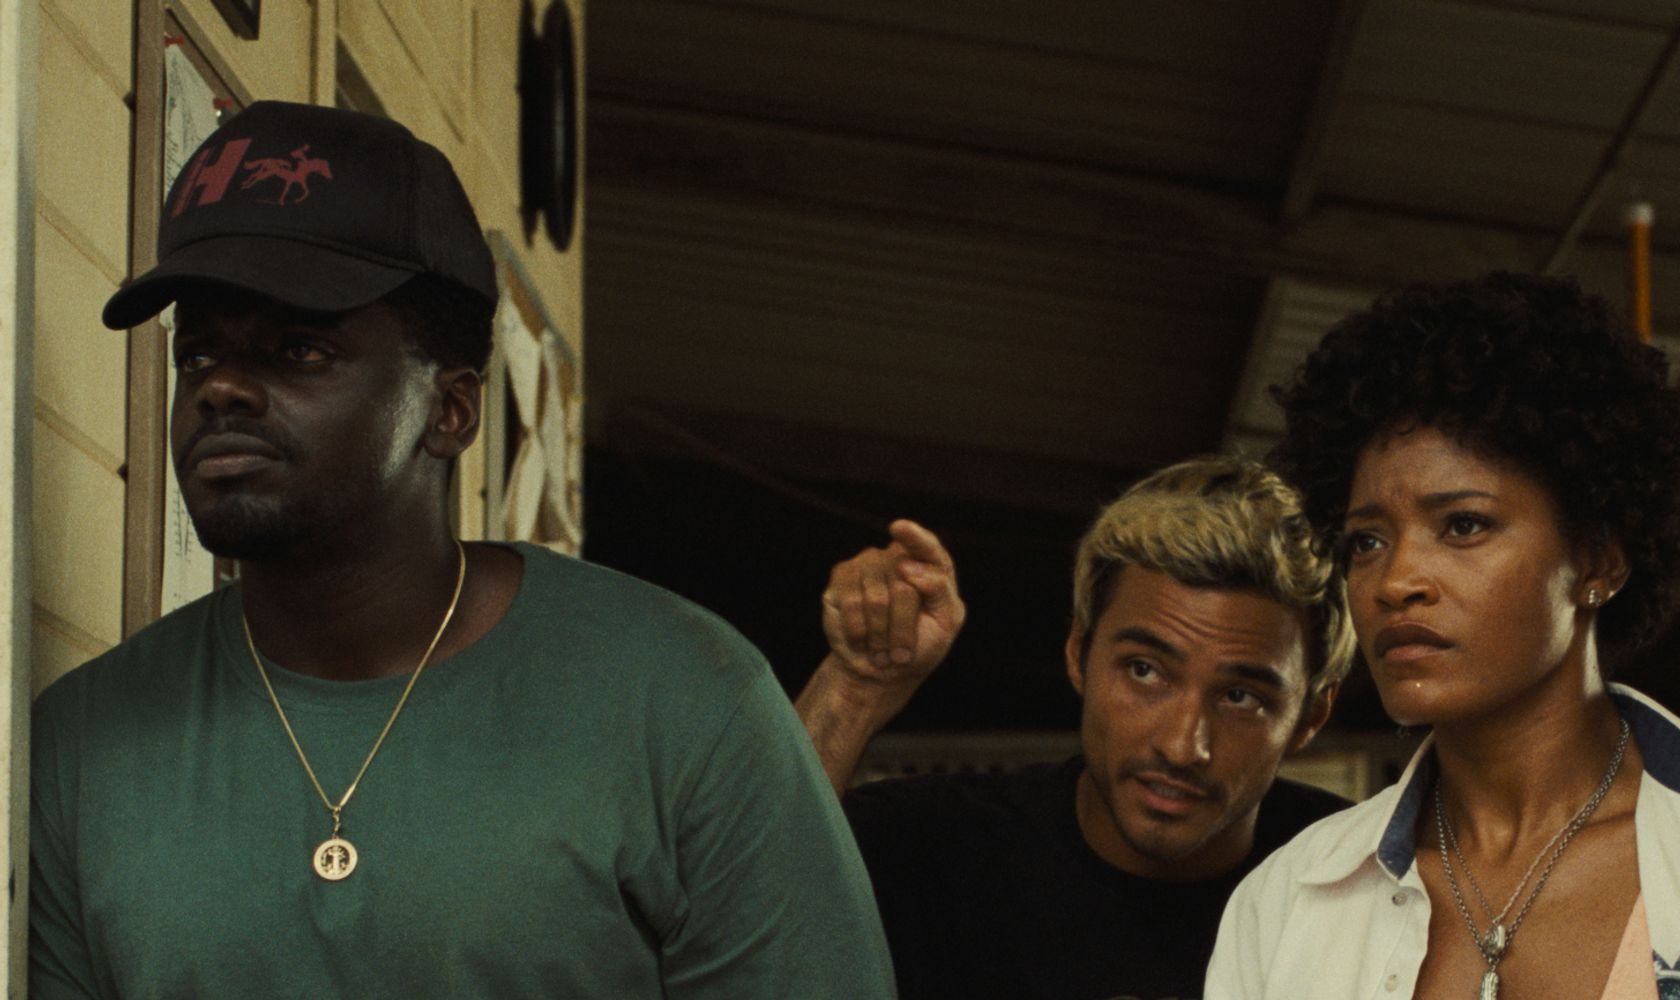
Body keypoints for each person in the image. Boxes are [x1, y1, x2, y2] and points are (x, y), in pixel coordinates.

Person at [30, 100, 894, 999]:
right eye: (199, 355)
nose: (224, 391)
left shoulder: (685, 702)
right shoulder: (82, 750)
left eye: (299, 348)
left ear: (450, 410)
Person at [1205, 272, 1680, 998]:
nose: (1396, 580)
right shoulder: (1287, 904)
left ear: (1598, 560)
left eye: (1464, 525)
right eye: (1367, 541)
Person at [795, 456, 1358, 1000]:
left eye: (1240, 697)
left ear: (1310, 716)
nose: (1182, 746)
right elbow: (747, 903)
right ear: (1077, 653)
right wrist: (855, 688)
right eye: (1145, 671)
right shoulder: (930, 850)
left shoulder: (1365, 883)